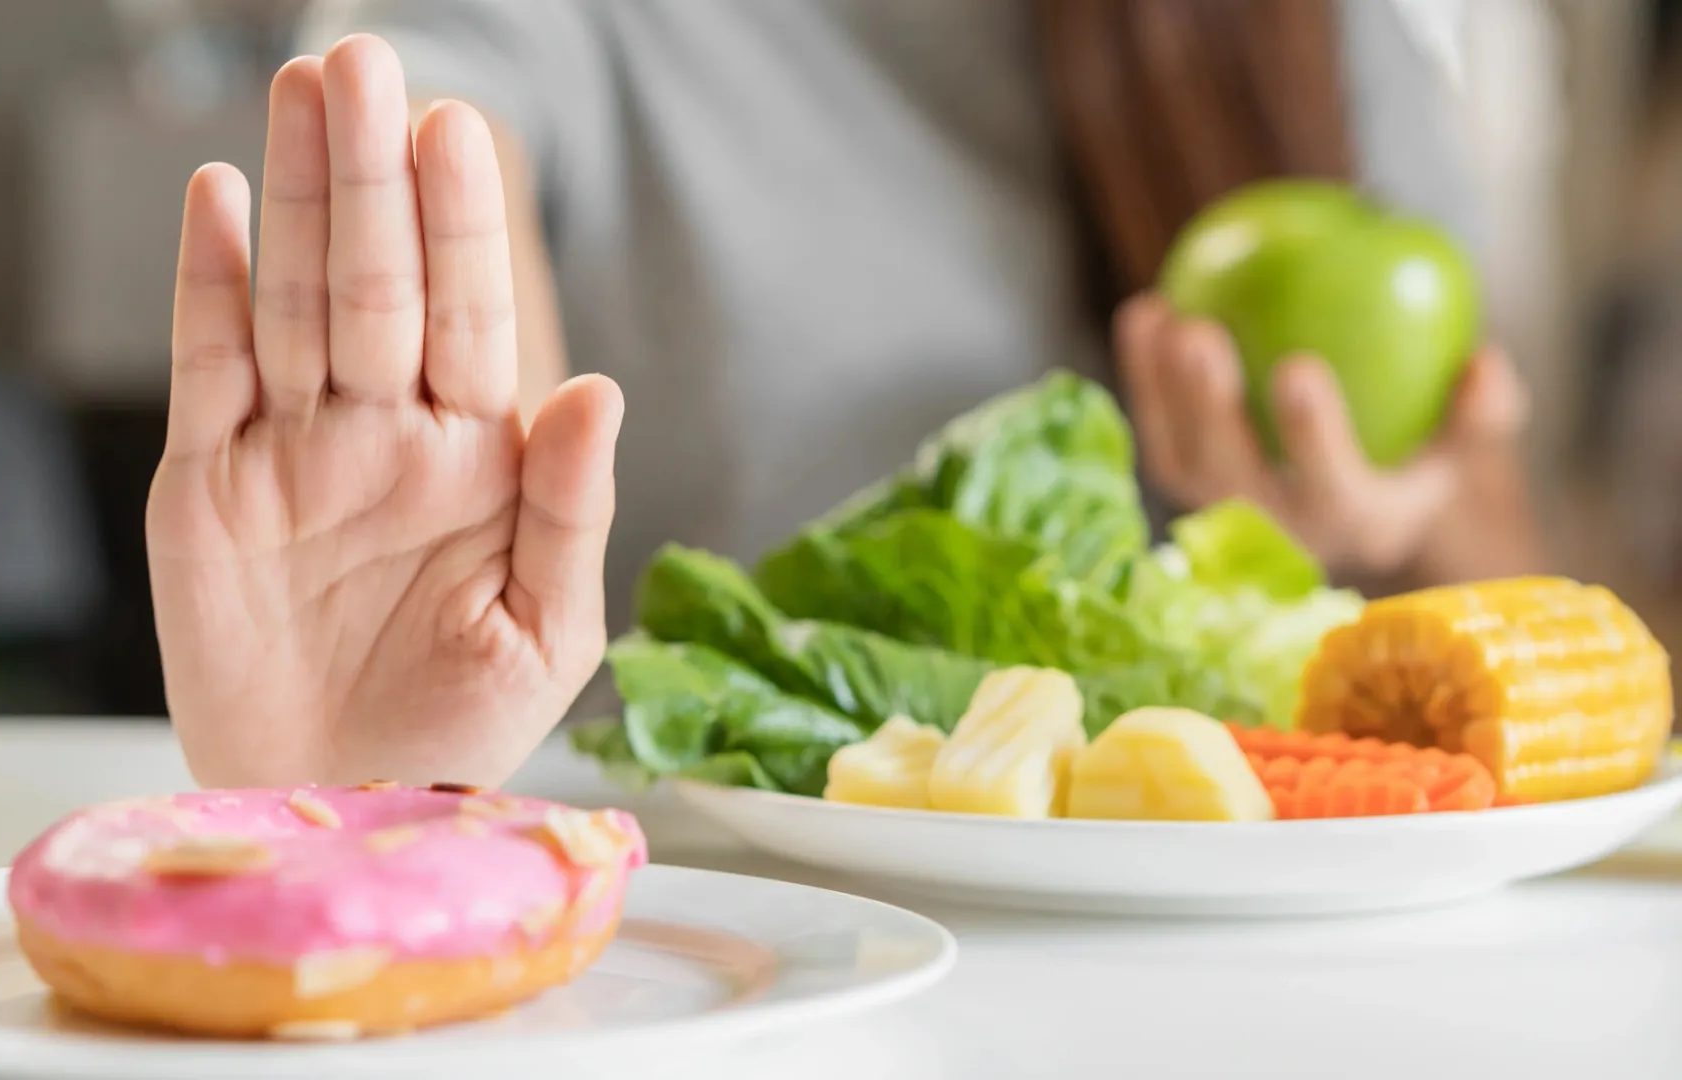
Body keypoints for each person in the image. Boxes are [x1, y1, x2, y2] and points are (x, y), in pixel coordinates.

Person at [151, 5, 1552, 788]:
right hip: (754, 931)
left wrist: (1387, 519)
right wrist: (386, 739)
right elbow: (442, 142)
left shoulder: (1308, 35)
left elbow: (1500, 557)